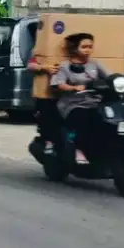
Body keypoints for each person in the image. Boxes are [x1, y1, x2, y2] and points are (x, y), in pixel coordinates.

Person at [50, 33, 110, 163]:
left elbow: (110, 77)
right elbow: (59, 84)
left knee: (107, 119)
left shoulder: (95, 64)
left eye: (90, 47)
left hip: (94, 102)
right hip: (73, 103)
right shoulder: (64, 66)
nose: (88, 50)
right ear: (74, 48)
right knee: (82, 120)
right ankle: (79, 149)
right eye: (84, 47)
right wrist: (74, 88)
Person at [28, 54, 60, 150]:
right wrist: (44, 67)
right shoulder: (42, 49)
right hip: (46, 93)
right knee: (46, 116)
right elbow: (30, 65)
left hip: (68, 95)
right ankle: (48, 142)